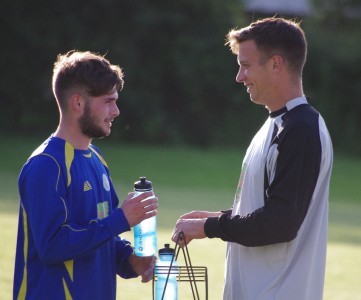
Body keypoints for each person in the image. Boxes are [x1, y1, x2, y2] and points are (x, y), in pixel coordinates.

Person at [171, 17, 333, 300]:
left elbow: (280, 222)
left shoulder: (301, 130)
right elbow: (264, 208)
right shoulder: (276, 124)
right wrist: (215, 218)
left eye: (245, 66)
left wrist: (210, 228)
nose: (239, 77)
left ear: (275, 64)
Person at [13, 51, 158, 300]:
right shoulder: (46, 165)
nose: (116, 111)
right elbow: (52, 245)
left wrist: (129, 260)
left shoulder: (96, 158)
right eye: (108, 101)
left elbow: (102, 234)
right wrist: (120, 219)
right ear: (78, 103)